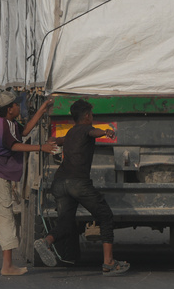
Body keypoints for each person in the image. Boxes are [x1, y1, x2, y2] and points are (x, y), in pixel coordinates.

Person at [33, 99, 130, 276]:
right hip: (77, 183)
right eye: (91, 115)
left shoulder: (70, 133)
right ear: (86, 116)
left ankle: (46, 242)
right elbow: (93, 132)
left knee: (66, 223)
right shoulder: (86, 128)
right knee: (106, 216)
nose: (92, 117)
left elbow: (57, 140)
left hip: (60, 183)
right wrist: (105, 131)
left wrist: (52, 139)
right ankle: (108, 262)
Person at [0, 90, 54, 276]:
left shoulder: (7, 123)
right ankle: (7, 266)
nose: (19, 106)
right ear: (10, 109)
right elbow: (14, 145)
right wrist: (41, 148)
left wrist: (41, 110)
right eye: (16, 104)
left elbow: (24, 132)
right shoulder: (5, 126)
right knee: (6, 219)